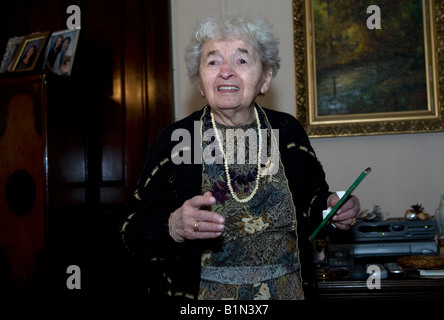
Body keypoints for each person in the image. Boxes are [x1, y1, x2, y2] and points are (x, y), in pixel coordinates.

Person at [121, 14, 360, 300]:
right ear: (200, 81)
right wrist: (173, 226)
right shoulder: (176, 142)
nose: (226, 72)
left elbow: (313, 203)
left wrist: (335, 210)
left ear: (265, 78)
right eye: (213, 61)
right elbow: (130, 231)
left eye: (242, 60)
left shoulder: (288, 132)